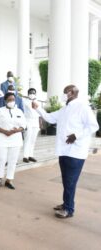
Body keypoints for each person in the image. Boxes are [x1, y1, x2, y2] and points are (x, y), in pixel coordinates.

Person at [32, 85, 99, 219]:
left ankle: (69, 209)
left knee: (70, 182)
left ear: (72, 93)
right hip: (63, 151)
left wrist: (77, 135)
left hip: (75, 152)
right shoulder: (65, 109)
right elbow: (50, 118)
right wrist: (38, 108)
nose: (63, 95)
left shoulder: (82, 107)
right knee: (66, 180)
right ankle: (66, 204)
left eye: (65, 92)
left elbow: (94, 126)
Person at [0, 92, 27, 190]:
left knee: (13, 160)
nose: (11, 101)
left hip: (15, 139)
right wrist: (5, 132)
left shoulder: (19, 111)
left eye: (13, 100)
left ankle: (9, 180)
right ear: (5, 101)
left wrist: (17, 130)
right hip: (1, 137)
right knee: (2, 159)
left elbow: (24, 125)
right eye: (9, 100)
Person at [22, 88, 40, 163]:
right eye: (30, 93)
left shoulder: (38, 101)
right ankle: (25, 156)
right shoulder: (25, 101)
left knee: (33, 140)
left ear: (35, 94)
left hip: (35, 122)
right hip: (28, 121)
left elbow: (39, 113)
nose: (32, 94)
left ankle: (30, 155)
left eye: (33, 93)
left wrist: (40, 123)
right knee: (27, 139)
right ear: (28, 94)